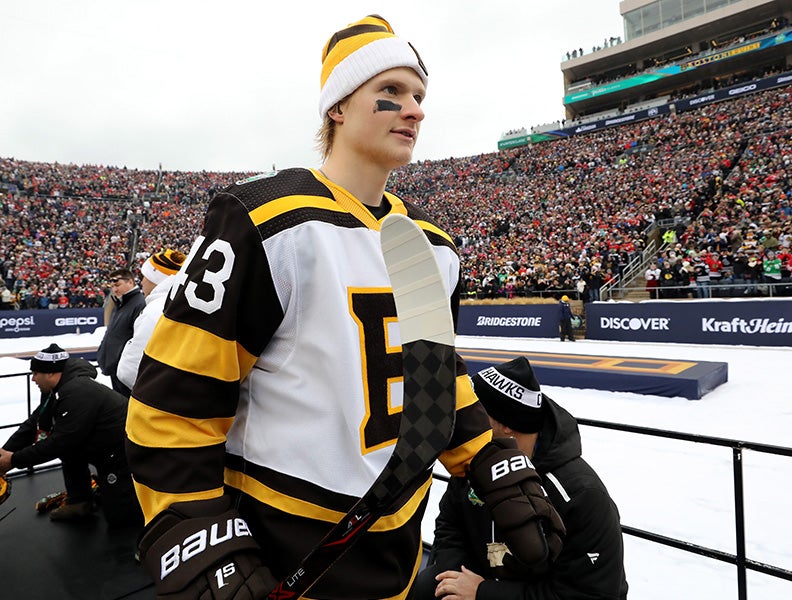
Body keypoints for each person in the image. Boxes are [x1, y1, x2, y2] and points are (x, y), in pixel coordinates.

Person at [125, 15, 563, 600]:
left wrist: (487, 456)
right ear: (336, 108)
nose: (413, 110)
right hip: (283, 545)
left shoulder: (433, 246)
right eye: (390, 94)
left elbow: (432, 375)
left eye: (417, 96)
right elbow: (174, 402)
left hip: (400, 543)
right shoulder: (264, 221)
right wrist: (193, 524)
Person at [413, 356, 628, 600]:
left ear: (505, 425)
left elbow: (589, 594)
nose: (465, 423)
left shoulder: (582, 495)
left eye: (474, 413)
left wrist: (483, 593)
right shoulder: (476, 456)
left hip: (510, 593)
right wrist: (454, 577)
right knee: (426, 586)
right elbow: (449, 525)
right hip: (477, 585)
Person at [0, 344, 141, 527]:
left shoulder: (77, 391)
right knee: (70, 451)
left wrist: (14, 460)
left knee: (121, 519)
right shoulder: (54, 390)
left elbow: (61, 441)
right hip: (99, 444)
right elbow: (34, 423)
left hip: (121, 451)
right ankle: (80, 501)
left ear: (50, 373)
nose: (33, 379)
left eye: (36, 373)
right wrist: (5, 452)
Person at [116, 249, 186, 391]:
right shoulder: (180, 303)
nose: (142, 281)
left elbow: (130, 370)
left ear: (156, 278)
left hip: (156, 397)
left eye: (144, 276)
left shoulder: (155, 311)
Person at [97, 268, 145, 396]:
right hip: (115, 367)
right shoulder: (121, 303)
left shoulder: (139, 303)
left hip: (125, 370)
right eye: (112, 286)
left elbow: (138, 340)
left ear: (130, 282)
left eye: (117, 285)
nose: (114, 289)